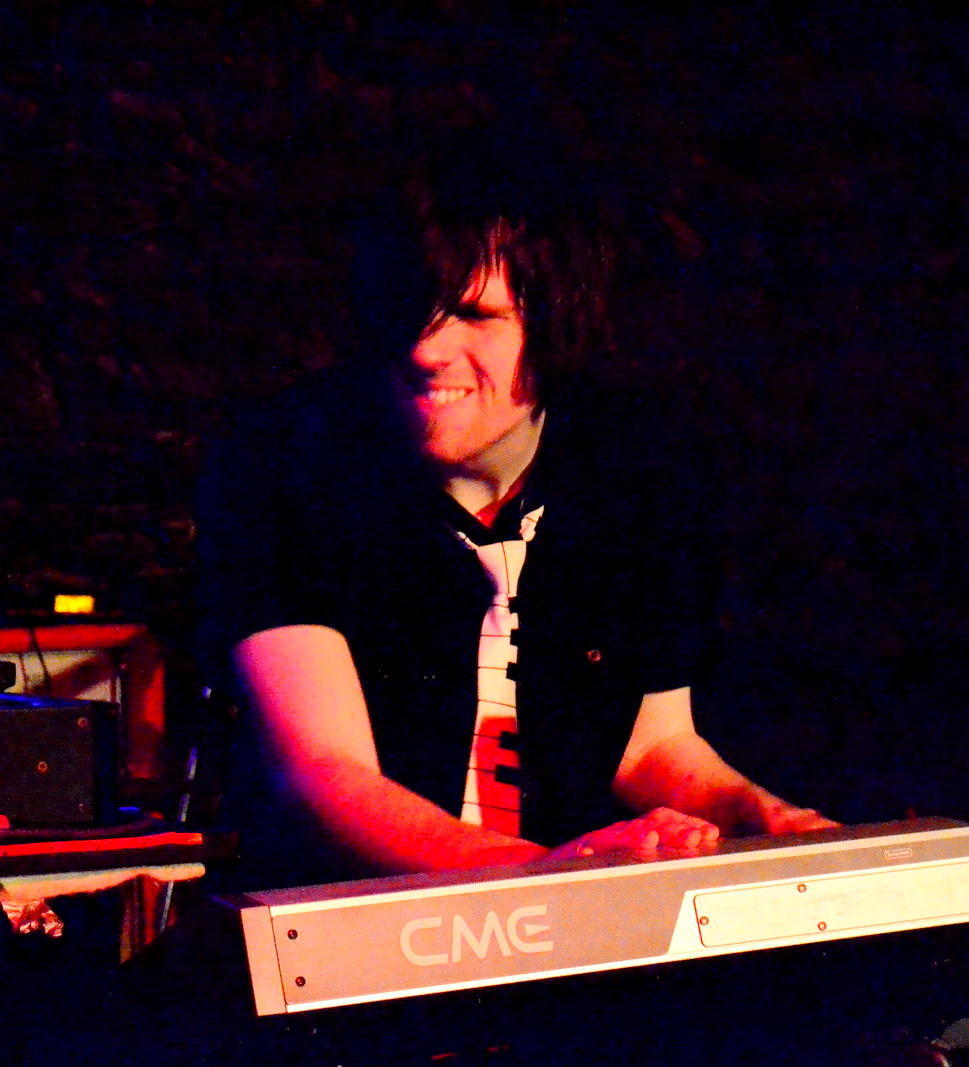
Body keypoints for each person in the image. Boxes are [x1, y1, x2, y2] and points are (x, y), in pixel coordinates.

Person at [199, 131, 833, 887]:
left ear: (556, 322)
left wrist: (764, 817)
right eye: (408, 309)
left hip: (562, 908)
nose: (426, 349)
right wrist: (547, 876)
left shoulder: (635, 473)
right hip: (359, 921)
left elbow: (651, 745)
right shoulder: (285, 460)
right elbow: (323, 775)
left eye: (474, 314)